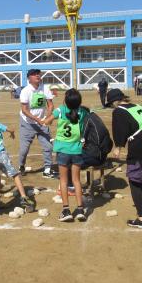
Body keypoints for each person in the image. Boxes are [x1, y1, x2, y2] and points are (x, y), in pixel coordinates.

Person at [107, 88, 142, 230]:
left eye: (110, 103)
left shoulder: (119, 111)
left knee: (134, 181)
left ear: (114, 101)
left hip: (141, 148)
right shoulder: (138, 106)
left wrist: (118, 146)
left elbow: (119, 129)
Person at [41, 88, 88, 222]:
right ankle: (80, 209)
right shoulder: (82, 112)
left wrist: (44, 120)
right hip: (77, 150)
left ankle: (66, 209)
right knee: (76, 180)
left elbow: (48, 121)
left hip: (62, 149)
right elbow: (83, 112)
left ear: (66, 101)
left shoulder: (60, 110)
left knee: (63, 180)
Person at [18, 69, 57, 178]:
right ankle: (21, 166)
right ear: (29, 78)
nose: (37, 76)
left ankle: (47, 169)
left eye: (38, 74)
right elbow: (25, 110)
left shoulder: (45, 88)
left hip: (42, 122)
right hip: (27, 123)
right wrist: (37, 120)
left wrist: (47, 117)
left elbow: (50, 105)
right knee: (24, 149)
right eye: (34, 74)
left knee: (48, 146)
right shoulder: (25, 91)